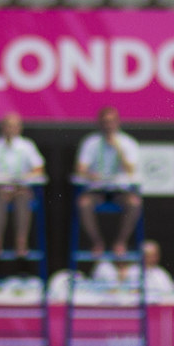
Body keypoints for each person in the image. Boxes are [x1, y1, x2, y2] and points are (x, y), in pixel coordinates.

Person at [0, 112, 46, 257]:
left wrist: (23, 177)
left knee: (22, 199)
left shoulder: (27, 146)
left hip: (20, 188)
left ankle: (21, 243)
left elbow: (39, 168)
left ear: (20, 128)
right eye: (8, 126)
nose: (10, 129)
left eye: (14, 126)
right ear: (2, 127)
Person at [74, 106, 142, 256]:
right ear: (99, 123)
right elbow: (80, 168)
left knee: (134, 203)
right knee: (83, 203)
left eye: (111, 122)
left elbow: (130, 169)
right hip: (97, 188)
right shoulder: (91, 142)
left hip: (120, 189)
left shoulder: (127, 143)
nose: (108, 126)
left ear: (118, 122)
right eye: (105, 122)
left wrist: (118, 148)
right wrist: (91, 175)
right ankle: (97, 242)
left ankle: (121, 242)